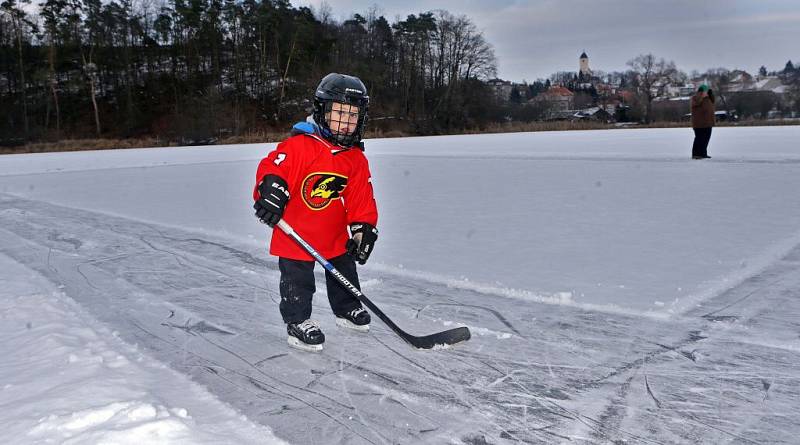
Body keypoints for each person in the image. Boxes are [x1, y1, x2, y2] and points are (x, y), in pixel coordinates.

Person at [252, 73, 379, 352]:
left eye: (352, 115)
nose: (345, 122)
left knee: (344, 269)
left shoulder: (354, 157)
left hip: (331, 230)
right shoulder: (299, 146)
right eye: (338, 113)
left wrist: (363, 227)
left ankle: (346, 309)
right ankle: (298, 322)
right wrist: (270, 189)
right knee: (298, 280)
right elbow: (273, 168)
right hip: (295, 231)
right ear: (321, 111)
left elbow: (360, 197)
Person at [690, 84, 715, 159]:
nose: (706, 93)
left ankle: (703, 153)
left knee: (705, 139)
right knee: (699, 139)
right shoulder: (696, 99)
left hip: (708, 123)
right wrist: (701, 96)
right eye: (705, 91)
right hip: (699, 123)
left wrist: (710, 94)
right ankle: (696, 154)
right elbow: (698, 103)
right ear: (701, 92)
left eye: (707, 91)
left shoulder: (708, 99)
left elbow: (713, 101)